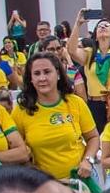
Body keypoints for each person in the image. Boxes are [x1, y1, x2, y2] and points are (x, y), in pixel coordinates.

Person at [12, 52, 99, 180]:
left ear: (58, 74)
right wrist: (32, 171)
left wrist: (88, 161)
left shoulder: (75, 102)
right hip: (44, 185)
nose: (42, 78)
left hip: (81, 179)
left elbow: (93, 137)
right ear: (30, 79)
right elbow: (17, 151)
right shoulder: (21, 110)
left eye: (47, 72)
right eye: (37, 74)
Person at [67, 10, 110, 133]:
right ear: (95, 35)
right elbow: (71, 50)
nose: (103, 27)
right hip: (95, 104)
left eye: (107, 26)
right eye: (99, 26)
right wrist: (77, 24)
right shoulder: (89, 53)